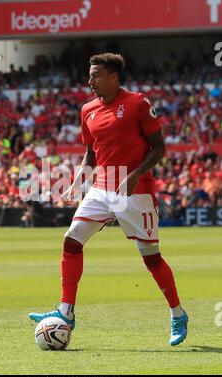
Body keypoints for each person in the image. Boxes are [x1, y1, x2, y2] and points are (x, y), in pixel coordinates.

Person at [29, 53, 188, 346]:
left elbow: (159, 149)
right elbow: (91, 152)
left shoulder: (138, 103)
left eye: (96, 75)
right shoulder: (87, 109)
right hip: (102, 188)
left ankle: (178, 313)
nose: (90, 81)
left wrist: (137, 174)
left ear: (114, 76)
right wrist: (76, 184)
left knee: (151, 259)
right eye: (90, 75)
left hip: (136, 191)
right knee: (71, 240)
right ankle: (66, 312)